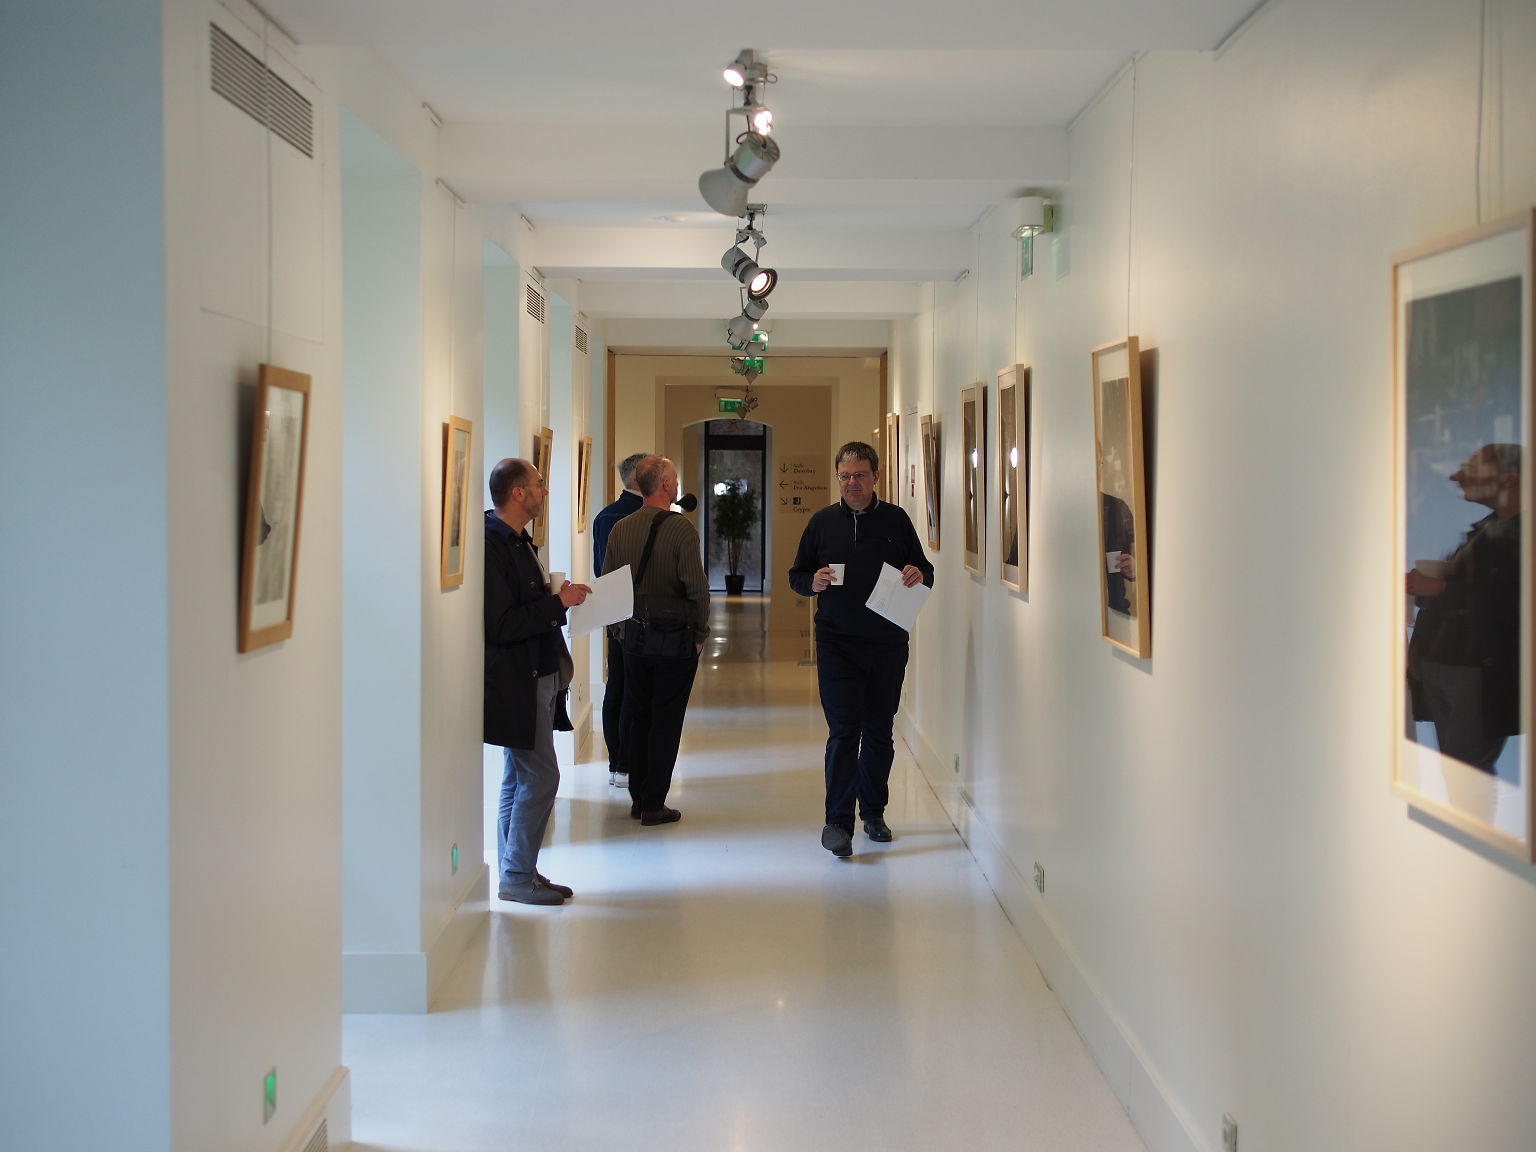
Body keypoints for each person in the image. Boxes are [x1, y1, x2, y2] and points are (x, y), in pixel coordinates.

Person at [789, 441, 934, 857]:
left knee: (878, 731)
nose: (852, 483)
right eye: (845, 476)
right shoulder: (822, 523)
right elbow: (796, 575)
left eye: (860, 475)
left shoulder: (896, 520)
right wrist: (812, 582)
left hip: (887, 644)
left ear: (876, 477)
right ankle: (837, 822)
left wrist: (917, 573)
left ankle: (873, 812)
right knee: (843, 731)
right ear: (838, 478)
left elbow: (925, 571)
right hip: (837, 643)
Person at [484, 457, 591, 905]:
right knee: (542, 776)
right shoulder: (493, 544)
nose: (545, 491)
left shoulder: (518, 540)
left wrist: (556, 599)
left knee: (518, 777)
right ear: (518, 493)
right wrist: (558, 604)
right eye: (539, 484)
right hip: (518, 679)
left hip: (538, 674)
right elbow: (501, 624)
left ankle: (519, 869)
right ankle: (515, 875)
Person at [600, 456, 710, 825]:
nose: (677, 485)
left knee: (638, 715)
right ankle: (653, 803)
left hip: (634, 638)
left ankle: (638, 797)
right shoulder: (681, 530)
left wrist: (620, 632)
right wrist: (700, 634)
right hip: (674, 641)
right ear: (664, 485)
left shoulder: (620, 529)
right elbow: (697, 590)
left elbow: (609, 587)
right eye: (674, 479)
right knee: (666, 719)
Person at [1406, 443, 1522, 772]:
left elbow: (1513, 602)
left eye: (1471, 469)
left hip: (1475, 671)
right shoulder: (1491, 528)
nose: (1456, 477)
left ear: (1509, 479)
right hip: (1455, 665)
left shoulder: (1514, 532)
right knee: (1460, 771)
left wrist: (1438, 588)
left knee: (1467, 774)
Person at [591, 452, 648, 788]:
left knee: (617, 685)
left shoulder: (604, 516)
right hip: (640, 614)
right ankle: (628, 761)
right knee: (635, 689)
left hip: (613, 612)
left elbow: (601, 568)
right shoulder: (646, 516)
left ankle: (617, 763)